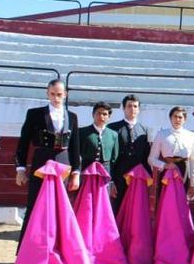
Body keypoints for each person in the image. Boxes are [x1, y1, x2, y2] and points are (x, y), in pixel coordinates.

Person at [15, 79, 81, 250]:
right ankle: (26, 250)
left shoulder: (72, 117)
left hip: (64, 163)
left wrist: (76, 173)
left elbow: (75, 147)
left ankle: (61, 249)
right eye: (53, 94)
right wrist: (20, 168)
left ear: (65, 95)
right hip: (41, 162)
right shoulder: (34, 114)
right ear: (47, 93)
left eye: (59, 94)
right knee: (35, 204)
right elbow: (23, 143)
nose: (56, 98)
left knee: (62, 206)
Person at [108, 94, 151, 214]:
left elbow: (146, 156)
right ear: (123, 108)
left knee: (136, 209)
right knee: (118, 205)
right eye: (129, 106)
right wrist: (111, 179)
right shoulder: (113, 128)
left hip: (138, 176)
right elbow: (110, 156)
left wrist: (149, 176)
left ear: (139, 109)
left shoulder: (144, 130)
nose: (132, 109)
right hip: (119, 174)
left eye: (135, 106)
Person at [148, 106, 194, 202]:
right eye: (175, 116)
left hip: (183, 171)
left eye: (180, 117)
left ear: (184, 119)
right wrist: (165, 165)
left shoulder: (191, 136)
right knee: (166, 202)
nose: (177, 119)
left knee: (181, 202)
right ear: (170, 118)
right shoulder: (161, 134)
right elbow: (151, 159)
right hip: (166, 170)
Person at [78, 101, 119, 193]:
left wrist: (112, 180)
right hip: (86, 170)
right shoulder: (82, 132)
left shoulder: (113, 135)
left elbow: (114, 159)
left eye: (105, 114)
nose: (101, 116)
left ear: (109, 117)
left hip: (105, 172)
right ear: (93, 115)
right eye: (99, 113)